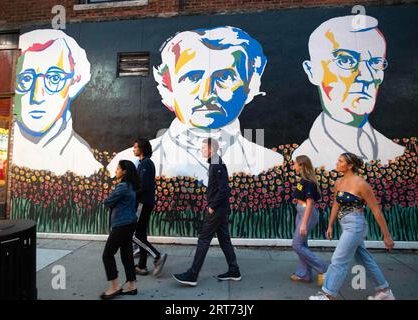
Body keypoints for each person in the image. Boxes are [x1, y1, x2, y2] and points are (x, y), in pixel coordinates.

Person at [108, 26, 283, 185]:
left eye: (224, 77)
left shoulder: (271, 164)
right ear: (167, 88)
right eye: (192, 77)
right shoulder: (122, 161)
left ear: (251, 85)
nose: (206, 94)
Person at [292, 15, 404, 170]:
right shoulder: (307, 157)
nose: (367, 76)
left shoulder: (397, 154)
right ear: (313, 72)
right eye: (345, 61)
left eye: (376, 63)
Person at [14, 29, 102, 176]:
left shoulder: (87, 166)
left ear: (74, 83)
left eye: (54, 78)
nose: (37, 96)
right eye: (26, 79)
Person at [309, 152, 395, 300]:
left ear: (350, 165)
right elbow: (336, 204)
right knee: (364, 259)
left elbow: (375, 210)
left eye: (340, 161)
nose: (337, 163)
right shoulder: (339, 182)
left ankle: (327, 294)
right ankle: (385, 291)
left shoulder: (361, 184)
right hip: (346, 225)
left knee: (338, 259)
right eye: (338, 160)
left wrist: (386, 235)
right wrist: (330, 225)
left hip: (356, 225)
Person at [173, 138, 240, 286]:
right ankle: (234, 270)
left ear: (211, 149)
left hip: (216, 209)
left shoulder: (216, 164)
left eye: (203, 147)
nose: (201, 150)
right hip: (220, 209)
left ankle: (192, 275)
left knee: (203, 239)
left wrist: (212, 206)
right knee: (224, 240)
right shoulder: (215, 162)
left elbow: (224, 189)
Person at [101, 160, 139, 299]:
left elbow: (108, 202)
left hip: (121, 224)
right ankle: (131, 285)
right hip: (130, 223)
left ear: (124, 171)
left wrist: (109, 200)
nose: (116, 171)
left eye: (117, 169)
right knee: (126, 254)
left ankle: (114, 286)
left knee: (107, 255)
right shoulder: (131, 186)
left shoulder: (122, 186)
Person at [132, 138, 168, 276]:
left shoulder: (146, 163)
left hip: (143, 203)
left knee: (134, 235)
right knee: (141, 235)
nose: (133, 150)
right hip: (144, 203)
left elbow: (143, 186)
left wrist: (130, 194)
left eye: (135, 147)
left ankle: (157, 256)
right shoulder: (143, 163)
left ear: (141, 148)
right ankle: (142, 266)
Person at [291, 155, 328, 285]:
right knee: (302, 244)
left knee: (297, 245)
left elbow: (310, 203)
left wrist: (304, 224)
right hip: (301, 212)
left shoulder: (309, 182)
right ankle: (304, 274)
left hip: (307, 214)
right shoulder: (304, 179)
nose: (293, 165)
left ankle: (323, 268)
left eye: (295, 163)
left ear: (301, 165)